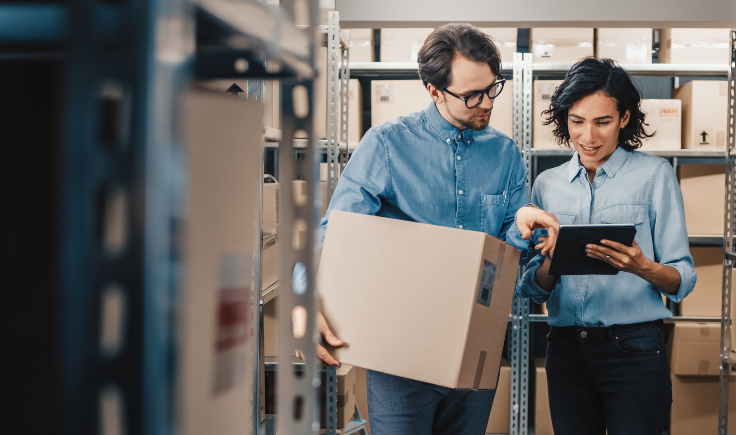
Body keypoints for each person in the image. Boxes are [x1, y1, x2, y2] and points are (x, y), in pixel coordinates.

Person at [301, 23, 560, 435]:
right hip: (401, 354)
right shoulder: (386, 145)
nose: (486, 104)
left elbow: (510, 250)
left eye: (492, 88)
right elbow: (334, 233)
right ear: (433, 89)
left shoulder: (506, 155)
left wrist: (523, 225)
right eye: (471, 95)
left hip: (476, 348)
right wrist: (305, 297)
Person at [515, 57, 697, 435]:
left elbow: (682, 279)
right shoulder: (547, 185)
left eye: (603, 122)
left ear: (625, 118)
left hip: (634, 347)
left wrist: (640, 266)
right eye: (577, 121)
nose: (588, 137)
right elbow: (532, 288)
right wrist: (550, 259)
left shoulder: (654, 176)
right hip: (566, 349)